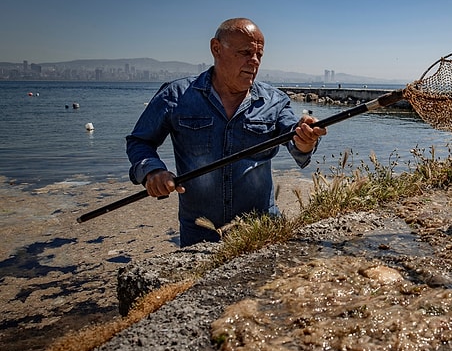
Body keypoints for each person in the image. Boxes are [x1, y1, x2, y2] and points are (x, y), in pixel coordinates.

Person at [126, 18, 326, 247]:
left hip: (261, 230)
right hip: (199, 234)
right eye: (245, 52)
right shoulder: (176, 95)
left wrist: (306, 139)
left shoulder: (275, 100)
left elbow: (295, 139)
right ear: (216, 48)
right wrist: (153, 172)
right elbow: (139, 141)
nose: (254, 61)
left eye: (259, 55)